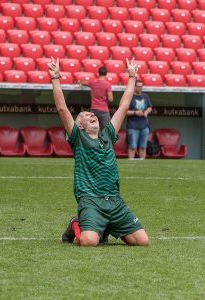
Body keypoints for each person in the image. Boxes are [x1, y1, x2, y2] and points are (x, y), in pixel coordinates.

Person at [50, 57, 150, 247]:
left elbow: (123, 105)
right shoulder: (78, 138)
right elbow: (62, 109)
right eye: (86, 116)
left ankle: (107, 226)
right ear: (80, 125)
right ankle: (76, 223)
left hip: (114, 200)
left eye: (92, 114)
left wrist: (132, 76)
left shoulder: (108, 135)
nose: (92, 115)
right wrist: (56, 78)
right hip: (91, 200)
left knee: (142, 241)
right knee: (88, 242)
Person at [126, 80, 153, 160]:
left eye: (141, 86)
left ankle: (142, 164)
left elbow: (150, 107)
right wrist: (135, 112)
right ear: (134, 87)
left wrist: (146, 112)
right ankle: (131, 163)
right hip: (132, 126)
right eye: (138, 86)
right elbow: (124, 111)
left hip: (144, 126)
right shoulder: (129, 97)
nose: (140, 88)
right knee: (132, 147)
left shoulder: (145, 96)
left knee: (143, 147)